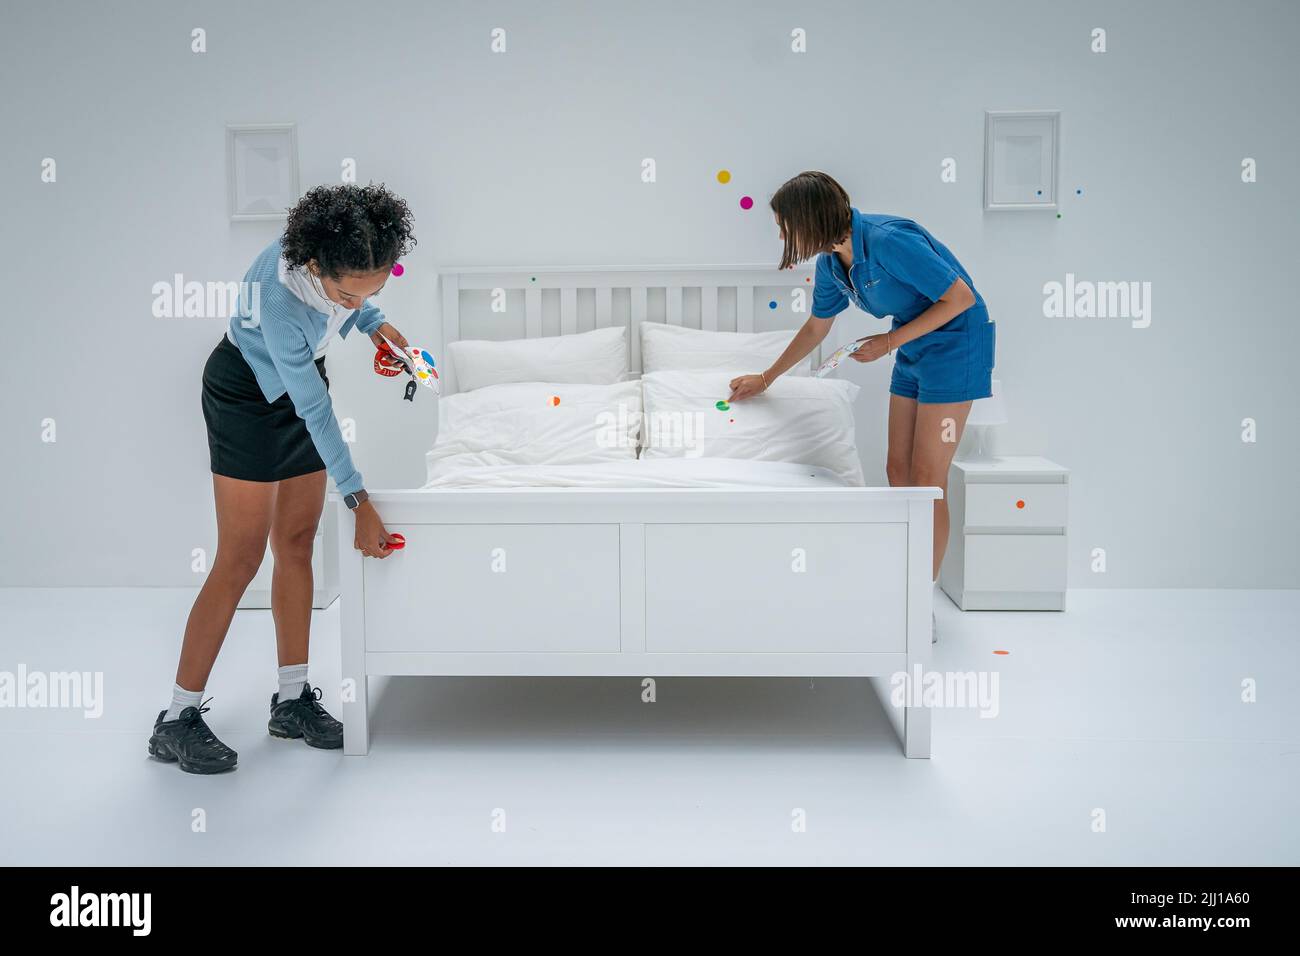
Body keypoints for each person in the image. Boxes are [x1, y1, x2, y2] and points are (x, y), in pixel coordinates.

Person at [148, 183, 415, 773]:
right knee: (239, 558)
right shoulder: (276, 296)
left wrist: (372, 323)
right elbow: (315, 410)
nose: (355, 301)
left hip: (297, 377)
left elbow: (342, 306)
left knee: (295, 544)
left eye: (371, 289)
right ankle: (175, 719)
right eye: (349, 293)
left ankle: (291, 701)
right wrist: (359, 500)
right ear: (317, 267)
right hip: (245, 394)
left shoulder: (326, 254)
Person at [729, 171, 995, 641]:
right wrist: (766, 378)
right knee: (897, 471)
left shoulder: (890, 240)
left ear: (810, 219)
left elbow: (960, 297)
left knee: (928, 481)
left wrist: (890, 340)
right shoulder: (833, 265)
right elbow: (816, 329)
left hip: (956, 345)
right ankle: (903, 581)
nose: (782, 236)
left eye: (785, 226)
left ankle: (919, 601)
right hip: (913, 345)